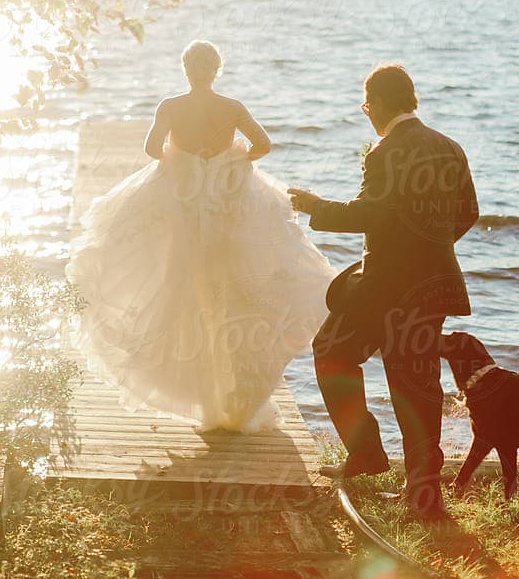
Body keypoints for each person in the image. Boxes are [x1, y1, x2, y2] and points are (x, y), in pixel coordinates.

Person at [66, 40, 337, 432]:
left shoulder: (170, 106)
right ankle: (237, 399)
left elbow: (151, 148)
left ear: (186, 69)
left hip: (184, 209)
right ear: (216, 70)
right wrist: (230, 161)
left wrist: (184, 164)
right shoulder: (232, 107)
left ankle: (208, 404)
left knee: (186, 297)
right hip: (227, 209)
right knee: (231, 300)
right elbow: (263, 145)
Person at [287, 63, 479, 518]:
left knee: (331, 352)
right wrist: (429, 248)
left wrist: (314, 205)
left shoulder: (384, 151)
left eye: (366, 104)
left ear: (376, 103)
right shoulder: (450, 147)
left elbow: (366, 214)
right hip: (434, 286)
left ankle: (369, 454)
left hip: (386, 289)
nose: (365, 111)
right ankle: (423, 492)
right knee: (418, 384)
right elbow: (468, 212)